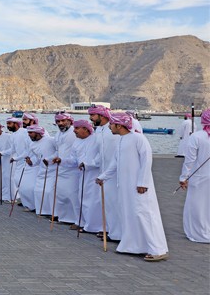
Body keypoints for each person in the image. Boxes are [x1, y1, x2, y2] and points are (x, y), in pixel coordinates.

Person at [96, 112, 168, 261]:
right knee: (128, 214)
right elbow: (115, 164)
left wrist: (142, 182)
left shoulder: (138, 138)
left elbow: (147, 161)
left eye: (111, 124)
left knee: (143, 214)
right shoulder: (121, 141)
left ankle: (157, 249)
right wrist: (102, 177)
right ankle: (133, 246)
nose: (109, 127)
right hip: (125, 187)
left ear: (119, 125)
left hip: (139, 186)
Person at [62, 119, 103, 233]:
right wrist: (61, 161)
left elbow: (102, 157)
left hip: (95, 175)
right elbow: (74, 159)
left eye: (76, 128)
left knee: (94, 201)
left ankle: (96, 227)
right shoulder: (77, 142)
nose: (74, 131)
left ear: (85, 129)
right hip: (82, 175)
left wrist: (89, 165)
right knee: (83, 199)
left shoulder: (97, 139)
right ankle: (85, 224)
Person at [89, 105, 122, 242]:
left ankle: (117, 234)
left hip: (116, 174)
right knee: (107, 203)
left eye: (93, 115)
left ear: (102, 116)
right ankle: (109, 229)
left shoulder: (114, 130)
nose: (90, 118)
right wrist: (88, 163)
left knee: (115, 204)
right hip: (103, 173)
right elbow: (100, 154)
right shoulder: (99, 131)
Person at [178, 108, 210, 243]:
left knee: (196, 205)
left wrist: (183, 177)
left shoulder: (196, 137)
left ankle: (198, 233)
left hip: (199, 177)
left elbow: (189, 160)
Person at [52, 112, 79, 224]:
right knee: (60, 194)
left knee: (72, 195)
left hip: (72, 169)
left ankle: (76, 220)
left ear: (70, 121)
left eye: (63, 121)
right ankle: (63, 217)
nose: (60, 123)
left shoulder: (74, 133)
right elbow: (58, 150)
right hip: (61, 167)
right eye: (58, 121)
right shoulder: (58, 134)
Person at [26, 125, 57, 216]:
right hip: (42, 170)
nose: (29, 135)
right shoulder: (32, 145)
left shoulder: (50, 140)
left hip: (53, 170)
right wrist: (31, 162)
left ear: (38, 133)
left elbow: (59, 151)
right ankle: (42, 211)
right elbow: (37, 158)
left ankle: (53, 213)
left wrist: (50, 159)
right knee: (38, 191)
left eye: (31, 133)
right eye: (28, 133)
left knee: (49, 191)